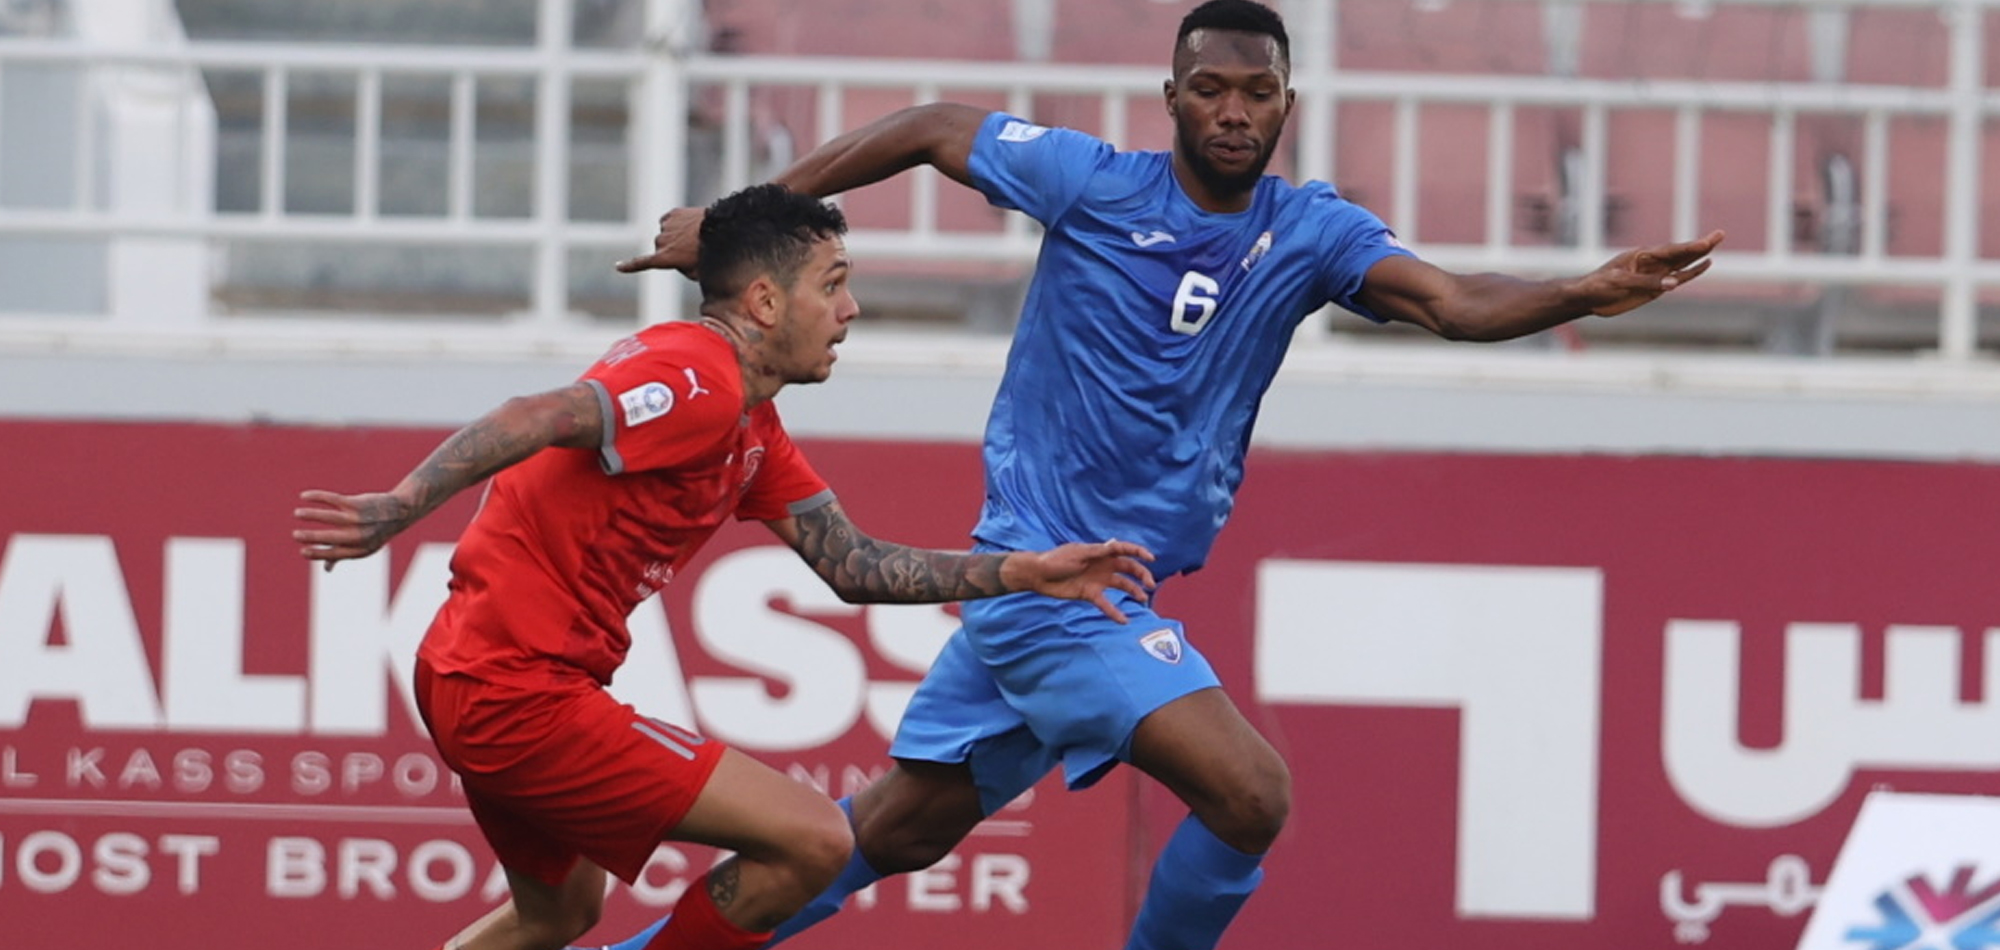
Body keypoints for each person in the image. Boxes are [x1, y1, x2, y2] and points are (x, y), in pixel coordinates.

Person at [599, 3, 1726, 950]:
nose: (1233, 111)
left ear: (1286, 102)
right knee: (1251, 790)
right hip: (1053, 586)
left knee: (878, 836)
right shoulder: (1094, 186)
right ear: (1170, 96)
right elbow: (936, 128)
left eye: (1257, 92)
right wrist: (753, 225)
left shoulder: (1308, 232)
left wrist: (1579, 290)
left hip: (1098, 588)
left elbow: (1451, 302)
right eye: (1210, 89)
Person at [291, 182, 1157, 950]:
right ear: (766, 303)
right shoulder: (698, 375)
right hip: (515, 690)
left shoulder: (751, 425)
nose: (851, 308)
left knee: (558, 919)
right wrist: (398, 505)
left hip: (475, 674)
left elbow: (852, 565)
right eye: (834, 283)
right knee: (818, 840)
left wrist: (1024, 572)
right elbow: (539, 413)